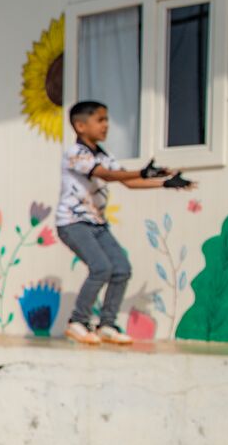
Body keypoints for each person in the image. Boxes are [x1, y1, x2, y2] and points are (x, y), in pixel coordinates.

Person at [57, 100, 193, 345]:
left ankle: (106, 325)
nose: (106, 125)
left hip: (97, 225)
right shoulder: (75, 154)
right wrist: (141, 172)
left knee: (121, 269)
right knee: (101, 268)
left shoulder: (103, 155)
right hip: (73, 223)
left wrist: (163, 182)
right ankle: (77, 321)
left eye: (107, 119)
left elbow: (128, 181)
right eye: (100, 120)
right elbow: (107, 175)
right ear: (80, 125)